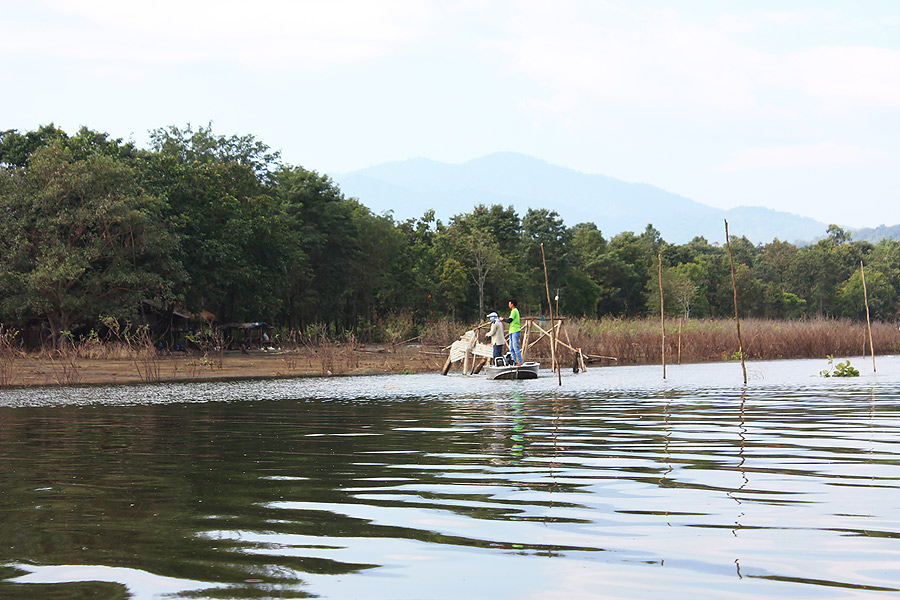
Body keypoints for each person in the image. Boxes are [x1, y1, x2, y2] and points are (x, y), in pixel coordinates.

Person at [503, 299, 523, 365]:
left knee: (515, 347)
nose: (508, 305)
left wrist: (503, 319)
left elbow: (510, 320)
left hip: (515, 331)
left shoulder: (514, 311)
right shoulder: (512, 311)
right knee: (511, 348)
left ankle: (520, 362)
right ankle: (514, 361)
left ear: (512, 304)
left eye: (509, 304)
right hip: (512, 331)